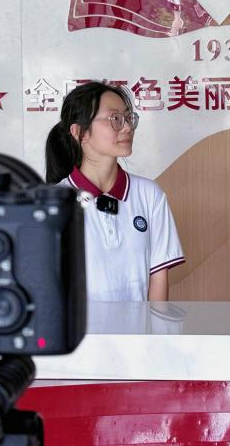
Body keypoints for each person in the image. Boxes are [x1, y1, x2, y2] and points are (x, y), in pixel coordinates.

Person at [46, 81, 185, 301]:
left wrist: (155, 326)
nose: (127, 127)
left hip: (140, 325)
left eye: (128, 118)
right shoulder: (51, 204)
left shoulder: (150, 195)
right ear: (80, 132)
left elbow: (158, 281)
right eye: (115, 119)